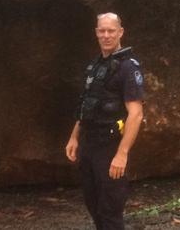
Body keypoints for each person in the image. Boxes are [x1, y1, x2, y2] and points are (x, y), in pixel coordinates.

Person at [65, 12, 144, 230]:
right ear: (96, 33)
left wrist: (122, 154)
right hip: (89, 144)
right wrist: (74, 137)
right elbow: (87, 105)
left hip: (110, 147)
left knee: (110, 210)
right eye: (102, 31)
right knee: (93, 204)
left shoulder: (129, 68)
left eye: (111, 30)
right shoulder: (95, 66)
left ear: (121, 32)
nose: (106, 35)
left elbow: (136, 114)